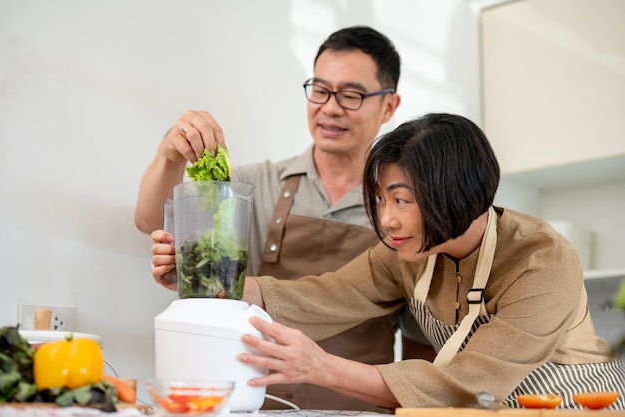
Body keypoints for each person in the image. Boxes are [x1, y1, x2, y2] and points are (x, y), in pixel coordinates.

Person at [222, 113, 623, 409]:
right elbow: (326, 296)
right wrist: (213, 281)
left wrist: (321, 367)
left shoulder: (541, 260)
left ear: (455, 192)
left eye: (401, 200)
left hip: (578, 406)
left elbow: (466, 382)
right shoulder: (406, 253)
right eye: (381, 198)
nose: (385, 219)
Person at [137, 26, 432, 410]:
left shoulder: (406, 211)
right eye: (321, 90)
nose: (330, 108)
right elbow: (150, 219)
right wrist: (169, 155)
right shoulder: (253, 185)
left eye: (351, 95)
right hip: (259, 405)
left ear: (389, 106)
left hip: (361, 410)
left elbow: (420, 343)